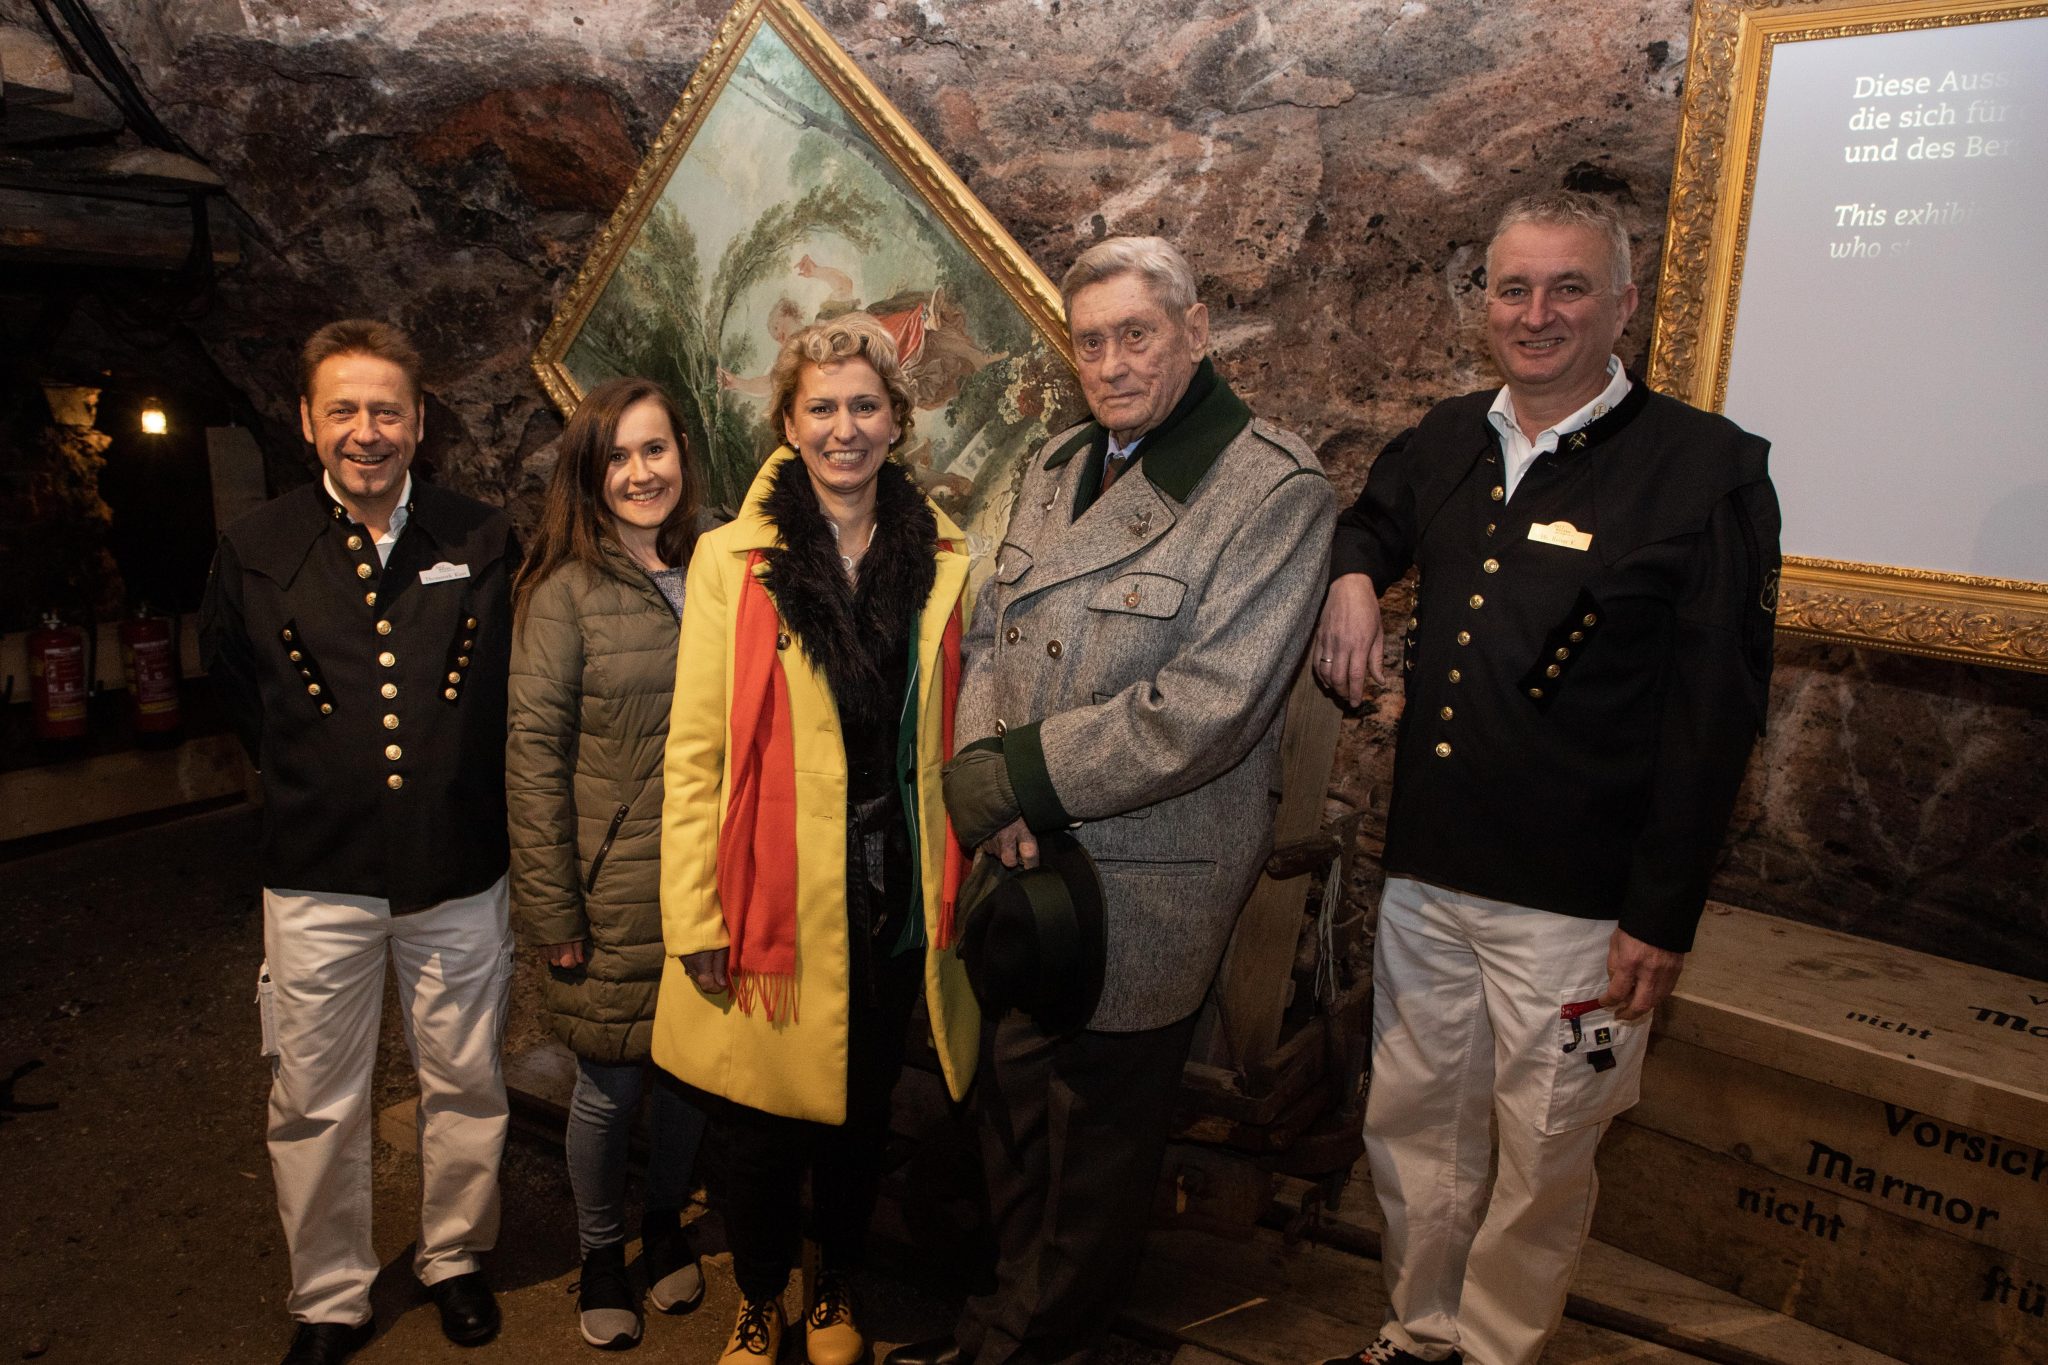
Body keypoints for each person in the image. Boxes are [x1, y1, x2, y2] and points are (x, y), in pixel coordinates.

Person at [1310, 190, 1781, 1365]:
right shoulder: (1447, 436)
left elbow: (1713, 718)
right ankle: (1415, 1335)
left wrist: (1657, 915)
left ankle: (1497, 1350)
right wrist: (1353, 576)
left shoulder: (1704, 471)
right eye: (1513, 288)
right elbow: (1369, 520)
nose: (1537, 313)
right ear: (1484, 307)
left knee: (1544, 1152)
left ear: (1622, 302)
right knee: (1413, 1131)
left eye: (1567, 286)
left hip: (1578, 910)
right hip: (1428, 879)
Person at [898, 234, 1336, 1365]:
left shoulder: (1269, 493)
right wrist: (986, 785)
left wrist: (1018, 782)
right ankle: (1003, 1319)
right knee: (1010, 1116)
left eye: (1136, 334)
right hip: (1019, 854)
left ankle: (1023, 1349)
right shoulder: (1053, 468)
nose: (1112, 363)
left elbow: (1207, 708)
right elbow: (991, 630)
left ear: (1195, 332)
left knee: (1092, 1152)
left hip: (1143, 872)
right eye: (1089, 341)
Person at [652, 314, 981, 1365]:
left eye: (864, 406)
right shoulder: (728, 561)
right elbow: (696, 750)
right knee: (752, 1125)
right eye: (821, 408)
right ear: (788, 423)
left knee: (856, 1107)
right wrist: (694, 911)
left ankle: (834, 1285)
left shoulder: (943, 557)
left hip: (888, 883)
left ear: (896, 419)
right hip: (768, 887)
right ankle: (758, 1296)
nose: (845, 428)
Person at [199, 319, 519, 1365]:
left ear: (419, 423)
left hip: (457, 868)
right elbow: (239, 691)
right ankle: (329, 1296)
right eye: (343, 409)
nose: (366, 431)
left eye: (386, 410)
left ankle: (455, 1257)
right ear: (306, 421)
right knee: (314, 1097)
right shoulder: (257, 549)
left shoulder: (481, 538)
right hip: (316, 874)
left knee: (464, 1078)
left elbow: (508, 696)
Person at [507, 376, 721, 1350]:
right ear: (589, 475)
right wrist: (553, 914)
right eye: (619, 456)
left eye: (655, 449)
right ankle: (601, 1252)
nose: (641, 472)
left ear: (682, 452)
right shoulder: (564, 595)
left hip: (710, 880)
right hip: (613, 889)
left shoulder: (722, 567)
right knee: (610, 1086)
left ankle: (665, 1220)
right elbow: (533, 759)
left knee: (686, 1078)